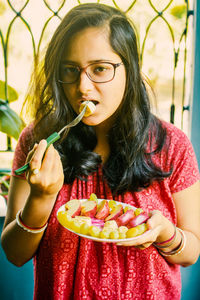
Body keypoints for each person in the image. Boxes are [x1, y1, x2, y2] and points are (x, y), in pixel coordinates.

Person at [1, 3, 200, 300]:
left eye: (100, 69)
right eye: (70, 70)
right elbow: (15, 255)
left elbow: (191, 252)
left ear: (129, 69)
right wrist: (41, 198)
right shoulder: (39, 140)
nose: (83, 87)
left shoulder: (172, 145)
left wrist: (164, 233)